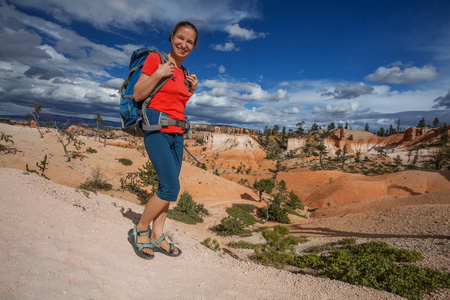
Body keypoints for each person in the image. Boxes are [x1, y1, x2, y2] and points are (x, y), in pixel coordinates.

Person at [128, 21, 198, 259]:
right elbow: (138, 93)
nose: (184, 44)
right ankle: (140, 229)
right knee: (171, 187)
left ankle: (158, 234)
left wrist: (191, 91)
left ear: (193, 46)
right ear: (171, 37)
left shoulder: (185, 73)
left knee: (167, 189)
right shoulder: (156, 60)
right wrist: (158, 72)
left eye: (189, 42)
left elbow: (175, 105)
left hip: (178, 135)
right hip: (157, 130)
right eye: (180, 38)